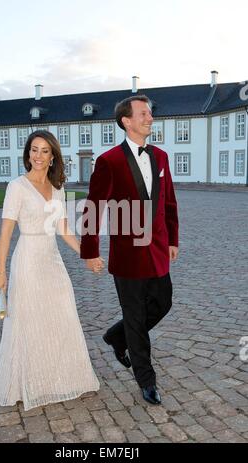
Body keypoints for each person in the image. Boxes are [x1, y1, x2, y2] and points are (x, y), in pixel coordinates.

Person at [0, 130, 99, 411]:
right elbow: (5, 233)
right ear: (28, 154)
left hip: (52, 261)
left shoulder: (57, 188)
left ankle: (59, 381)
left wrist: (86, 254)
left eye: (44, 151)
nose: (38, 156)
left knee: (62, 313)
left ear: (53, 158)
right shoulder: (16, 187)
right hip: (27, 259)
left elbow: (62, 228)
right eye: (34, 150)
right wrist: (0, 271)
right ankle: (27, 384)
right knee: (27, 321)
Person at [80, 95, 179, 405]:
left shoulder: (161, 157)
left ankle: (115, 336)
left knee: (162, 303)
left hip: (159, 249)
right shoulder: (108, 161)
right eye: (143, 113)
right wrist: (90, 251)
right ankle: (146, 379)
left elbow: (170, 202)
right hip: (127, 255)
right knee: (135, 318)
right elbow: (93, 208)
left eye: (150, 112)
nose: (150, 118)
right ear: (126, 121)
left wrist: (173, 239)